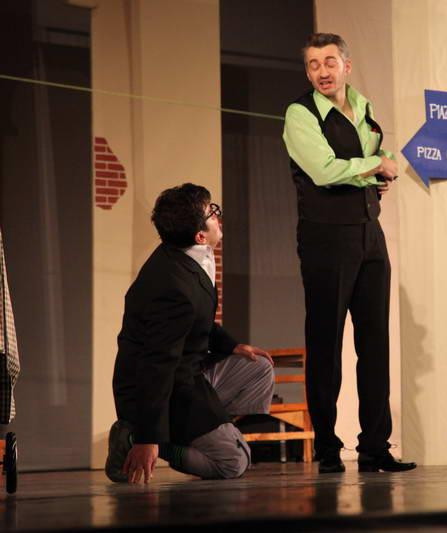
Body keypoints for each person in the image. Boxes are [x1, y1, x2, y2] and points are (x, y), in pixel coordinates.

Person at [282, 33, 415, 474]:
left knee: (375, 343)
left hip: (369, 233)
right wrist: (374, 167)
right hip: (325, 236)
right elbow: (322, 170)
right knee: (326, 342)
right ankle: (326, 447)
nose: (322, 71)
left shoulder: (362, 106)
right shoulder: (300, 113)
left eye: (329, 62)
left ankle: (375, 446)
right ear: (308, 73)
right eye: (313, 64)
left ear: (346, 66)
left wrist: (381, 165)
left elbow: (372, 154)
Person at [105, 183, 275, 483]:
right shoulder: (173, 286)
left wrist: (233, 346)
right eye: (212, 213)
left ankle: (208, 428)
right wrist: (148, 438)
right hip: (170, 385)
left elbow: (198, 322)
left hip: (189, 370)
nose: (218, 217)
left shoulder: (186, 255)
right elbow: (157, 365)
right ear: (200, 236)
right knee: (234, 462)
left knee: (258, 368)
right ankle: (143, 439)